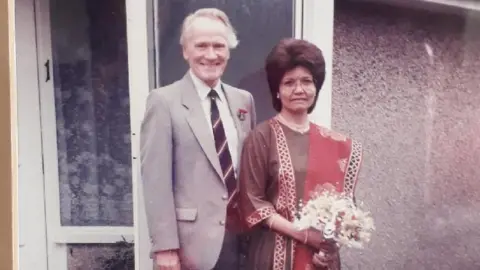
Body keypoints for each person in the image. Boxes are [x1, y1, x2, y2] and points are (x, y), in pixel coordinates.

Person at [140, 8, 256, 270]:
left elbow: (249, 168)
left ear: (229, 50)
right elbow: (155, 181)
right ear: (185, 51)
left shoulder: (243, 101)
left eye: (219, 46)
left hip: (241, 240)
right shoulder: (163, 102)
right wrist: (165, 247)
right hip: (190, 247)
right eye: (201, 45)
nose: (211, 55)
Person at [237, 38, 363, 270]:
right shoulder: (262, 137)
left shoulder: (337, 145)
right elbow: (253, 203)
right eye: (289, 82)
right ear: (277, 90)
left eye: (307, 81)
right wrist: (304, 235)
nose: (299, 90)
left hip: (322, 259)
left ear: (316, 87)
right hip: (275, 256)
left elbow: (345, 212)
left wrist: (329, 249)